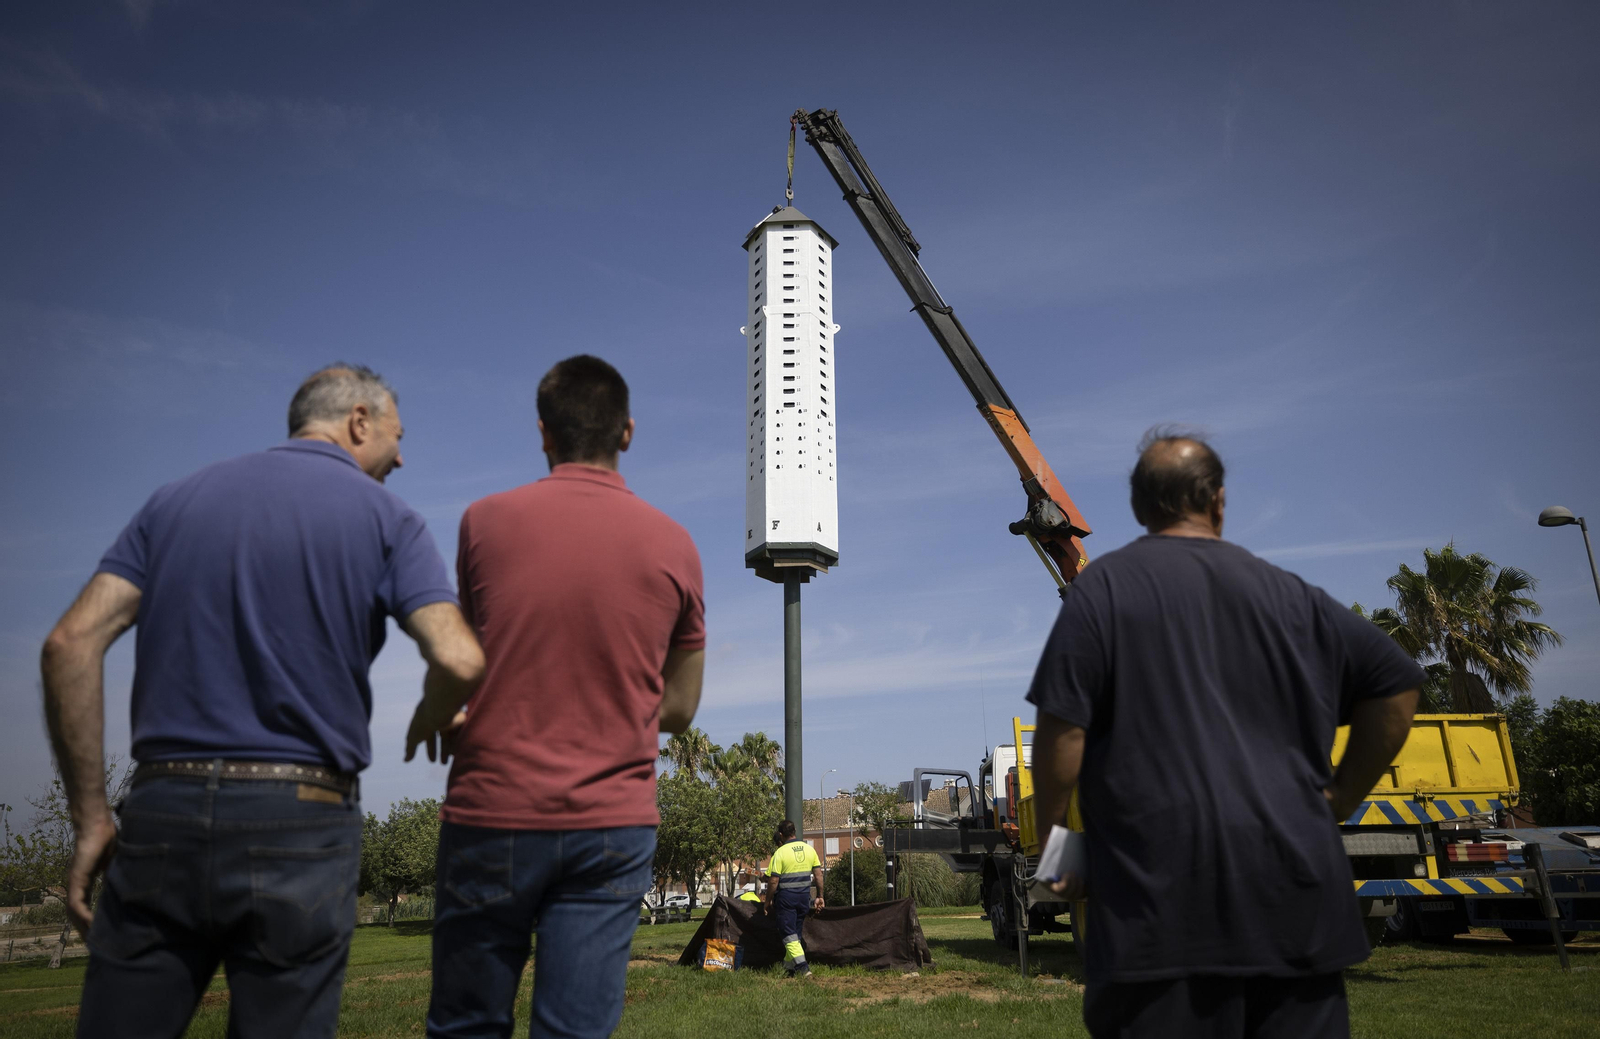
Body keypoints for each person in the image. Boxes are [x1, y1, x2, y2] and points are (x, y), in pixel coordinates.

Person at [42, 364, 485, 1039]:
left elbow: (70, 643)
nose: (404, 454)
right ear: (359, 421)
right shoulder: (388, 516)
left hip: (161, 814)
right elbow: (457, 655)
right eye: (398, 435)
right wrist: (433, 711)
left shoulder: (174, 501)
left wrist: (92, 816)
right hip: (300, 821)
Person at [1027, 429, 1421, 1039]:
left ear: (1139, 508)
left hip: (1155, 914)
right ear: (1218, 503)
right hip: (1296, 906)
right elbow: (1397, 688)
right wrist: (1340, 798)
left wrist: (1057, 843)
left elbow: (1061, 735)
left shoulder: (1102, 591)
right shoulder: (1294, 597)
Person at [427, 355, 706, 1039]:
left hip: (492, 810)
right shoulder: (675, 544)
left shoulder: (481, 522)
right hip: (610, 824)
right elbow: (679, 709)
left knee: (465, 1025)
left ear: (544, 433)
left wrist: (451, 710)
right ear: (629, 432)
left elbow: (468, 657)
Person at [762, 819, 824, 977]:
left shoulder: (780, 853)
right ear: (794, 832)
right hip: (804, 898)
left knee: (787, 933)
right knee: (795, 933)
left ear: (781, 835)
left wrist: (767, 901)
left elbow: (773, 880)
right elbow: (818, 875)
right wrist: (820, 896)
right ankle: (788, 967)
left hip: (786, 899)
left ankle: (803, 969)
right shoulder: (809, 849)